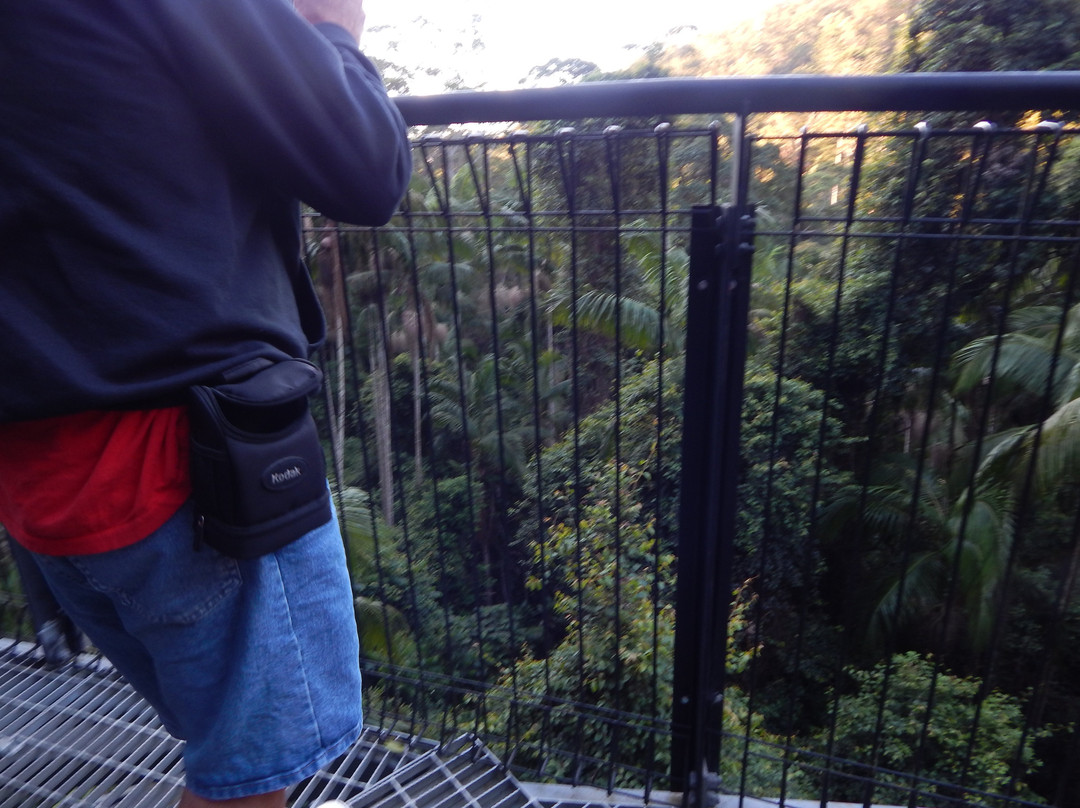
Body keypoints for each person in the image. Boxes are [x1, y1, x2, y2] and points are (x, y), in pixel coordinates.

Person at [0, 0, 412, 806]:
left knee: (227, 735)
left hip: (38, 464)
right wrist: (333, 30)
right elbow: (366, 165)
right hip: (185, 464)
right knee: (252, 771)